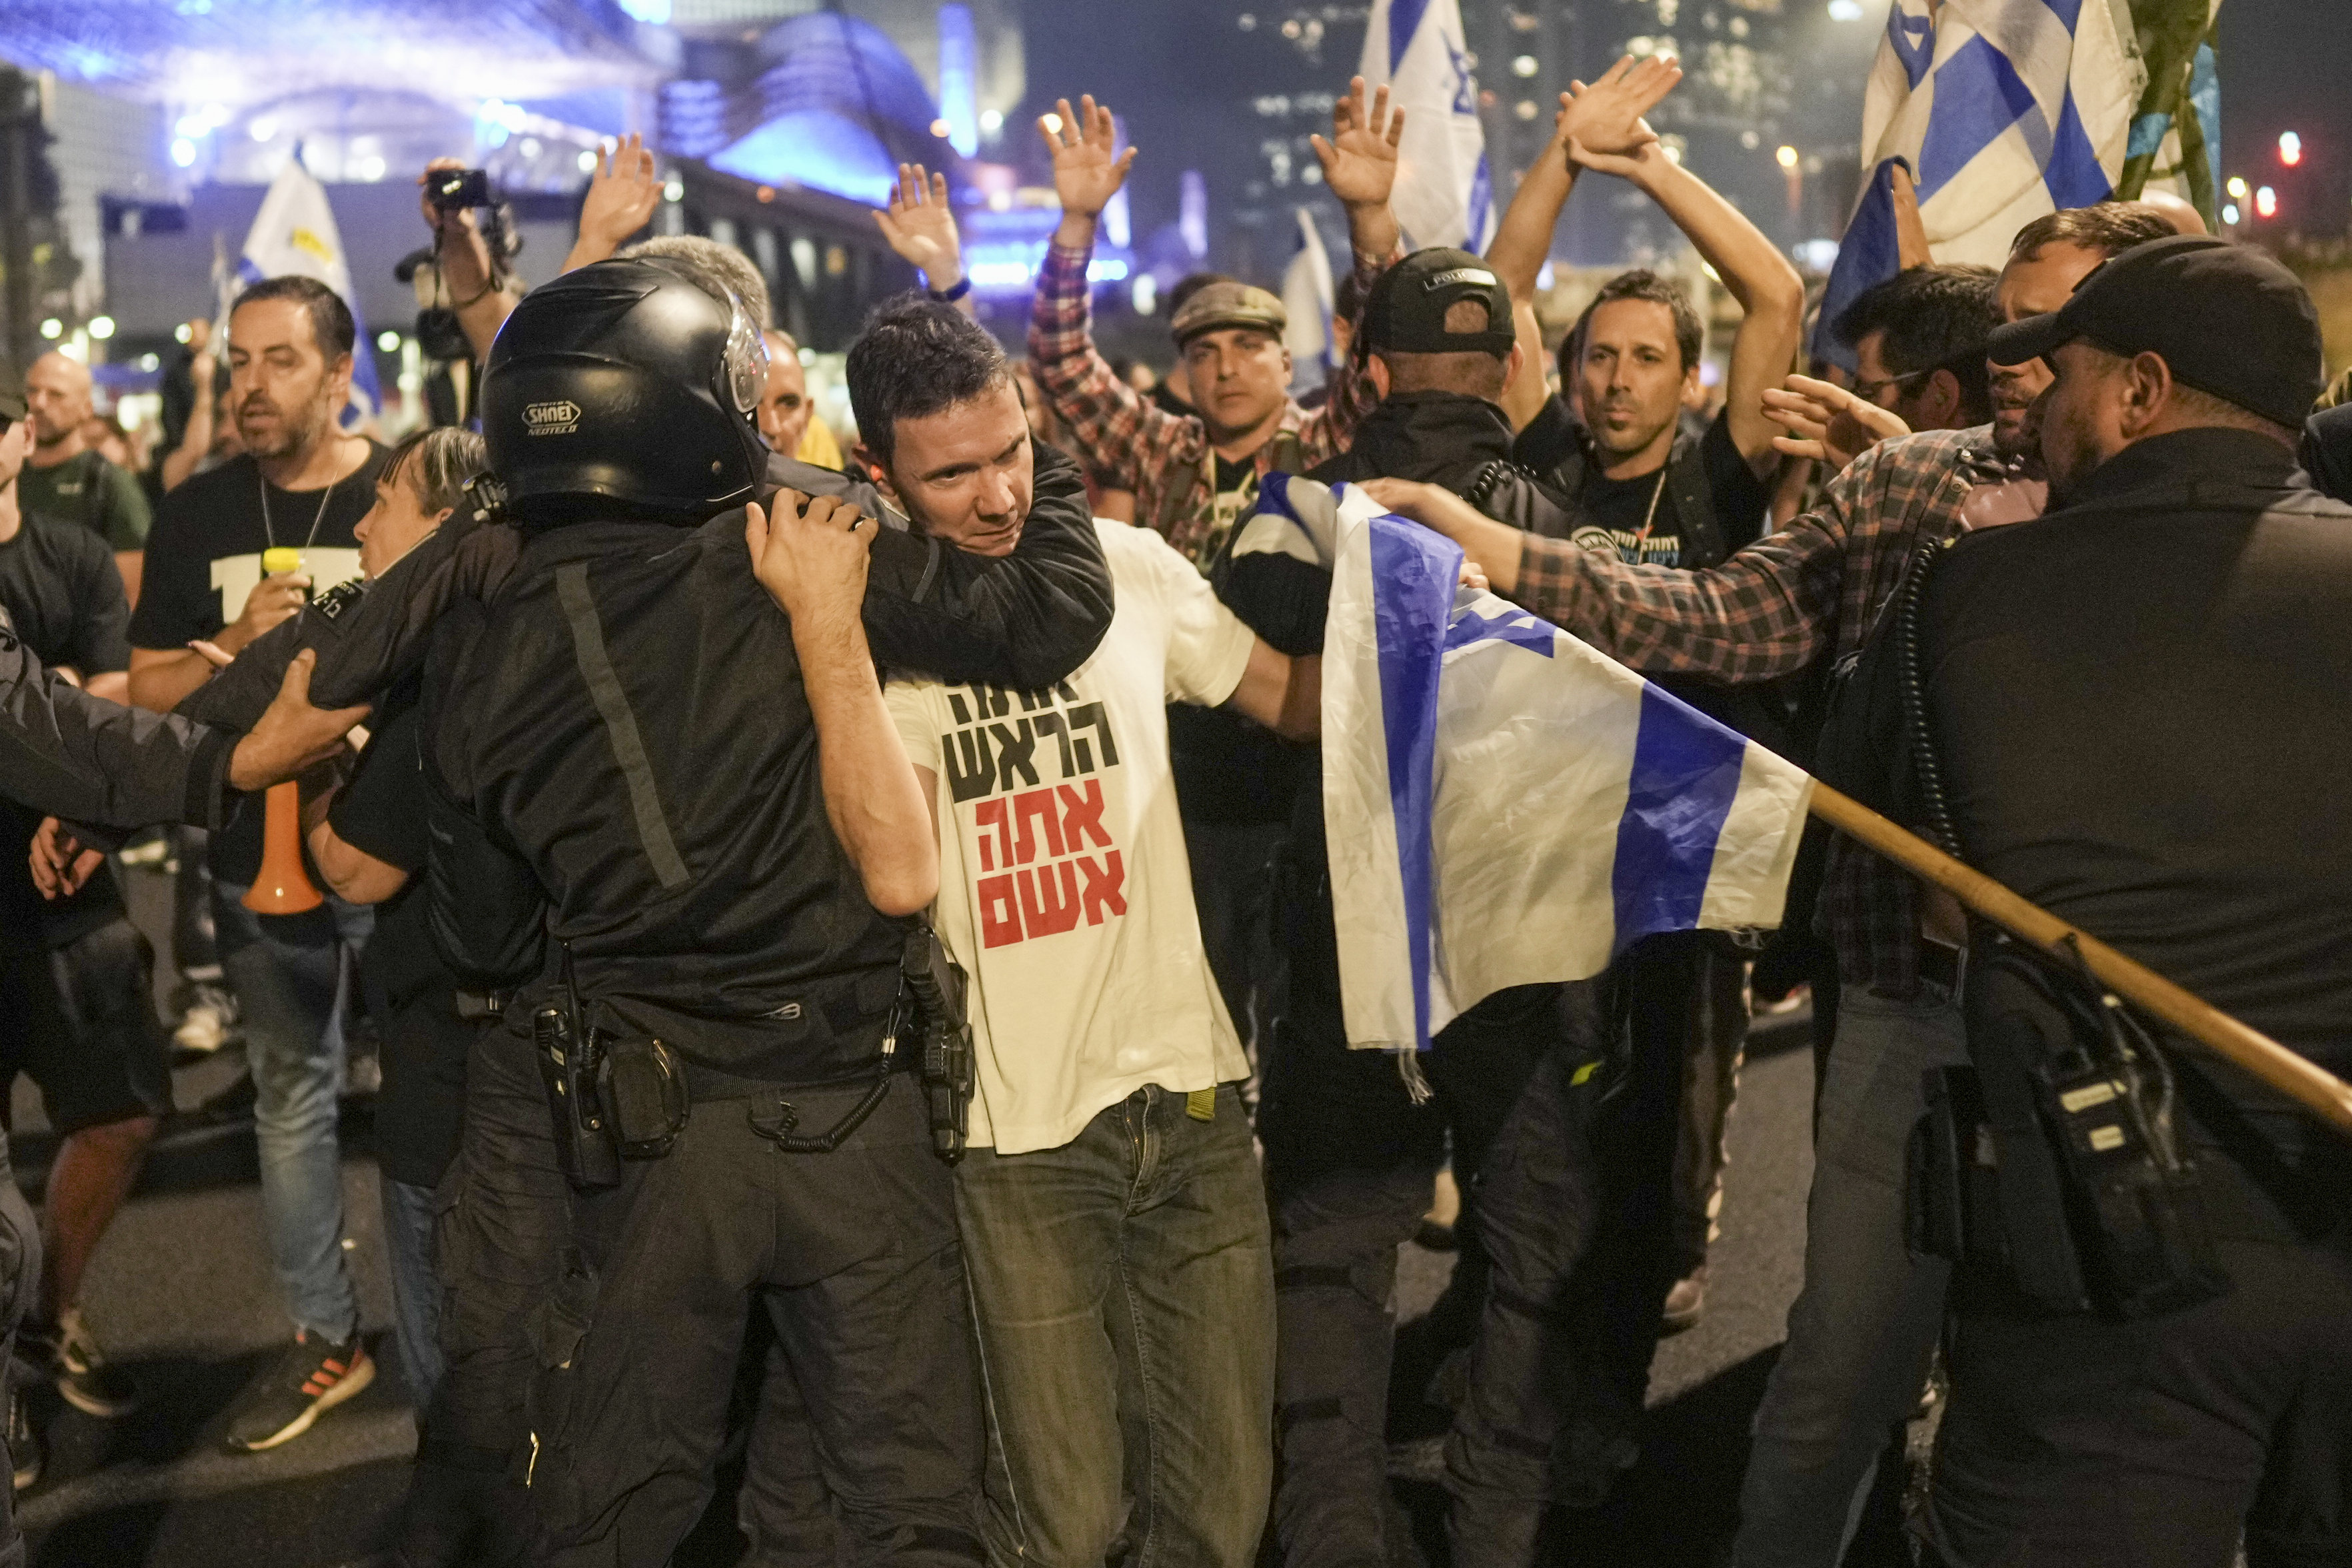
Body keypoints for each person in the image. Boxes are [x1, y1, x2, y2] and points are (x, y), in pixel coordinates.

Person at [1376, 199, 2179, 1568]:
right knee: (1835, 1374)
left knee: (2083, 1385)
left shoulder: (2221, 530)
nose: (2014, 358)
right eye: (2009, 327)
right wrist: (1508, 557)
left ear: (2144, 360)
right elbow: (1735, 616)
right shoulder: (1909, 487)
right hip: (1909, 998)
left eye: (2052, 330)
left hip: (2129, 1022)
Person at [418, 252, 1115, 1568]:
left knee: (631, 1504)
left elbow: (488, 938)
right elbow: (1045, 618)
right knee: (907, 1500)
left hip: (648, 1117)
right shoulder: (811, 539)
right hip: (849, 1097)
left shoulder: (481, 616)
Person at [1890, 235, 2352, 1568]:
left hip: (2106, 1252)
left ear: (2142, 391)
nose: (2035, 406)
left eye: (2065, 375)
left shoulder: (1970, 591)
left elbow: (1924, 890)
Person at [852, 295, 1308, 1567]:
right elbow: (892, 870)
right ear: (879, 474)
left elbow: (1285, 699)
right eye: (951, 474)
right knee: (1058, 1529)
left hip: (1194, 1094)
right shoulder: (878, 647)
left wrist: (1440, 620)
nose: (999, 494)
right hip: (1019, 1133)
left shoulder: (1129, 567)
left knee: (1218, 1517)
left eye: (1010, 452)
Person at [1027, 80, 1400, 1072]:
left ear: (1289, 363)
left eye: (1247, 348)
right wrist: (1077, 224)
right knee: (1193, 1007)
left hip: (1302, 779)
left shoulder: (1326, 445)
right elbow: (1062, 364)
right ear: (1184, 373)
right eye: (1203, 352)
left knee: (1305, 1013)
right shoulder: (1163, 453)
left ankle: (1304, 1175)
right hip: (1182, 784)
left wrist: (1369, 218)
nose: (1225, 368)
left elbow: (1379, 356)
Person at [128, 273, 390, 1454]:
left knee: (447, 1097)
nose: (248, 387)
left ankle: (462, 1347)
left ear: (339, 374)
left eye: (279, 361)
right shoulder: (194, 512)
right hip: (254, 860)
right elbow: (145, 696)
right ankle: (325, 1334)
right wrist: (233, 645)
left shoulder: (400, 489)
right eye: (237, 362)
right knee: (293, 1099)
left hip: (394, 850)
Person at [19, 353, 151, 605]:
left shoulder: (108, 483)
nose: (39, 403)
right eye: (32, 391)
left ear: (86, 409)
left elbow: (133, 593)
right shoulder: (9, 474)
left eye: (56, 394)